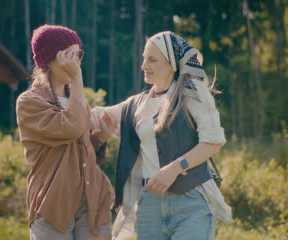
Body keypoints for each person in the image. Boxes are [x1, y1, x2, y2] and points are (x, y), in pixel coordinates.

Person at [92, 31, 232, 240]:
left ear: (171, 64)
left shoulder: (192, 92)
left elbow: (212, 142)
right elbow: (95, 116)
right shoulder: (136, 105)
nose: (144, 66)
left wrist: (176, 167)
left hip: (191, 202)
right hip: (149, 205)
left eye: (152, 60)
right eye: (144, 59)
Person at [16, 25, 115, 240]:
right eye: (70, 55)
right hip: (54, 204)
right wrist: (78, 79)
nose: (76, 62)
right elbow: (69, 128)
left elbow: (80, 152)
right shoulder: (30, 102)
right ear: (50, 59)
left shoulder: (76, 99)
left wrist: (100, 138)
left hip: (91, 200)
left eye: (79, 55)